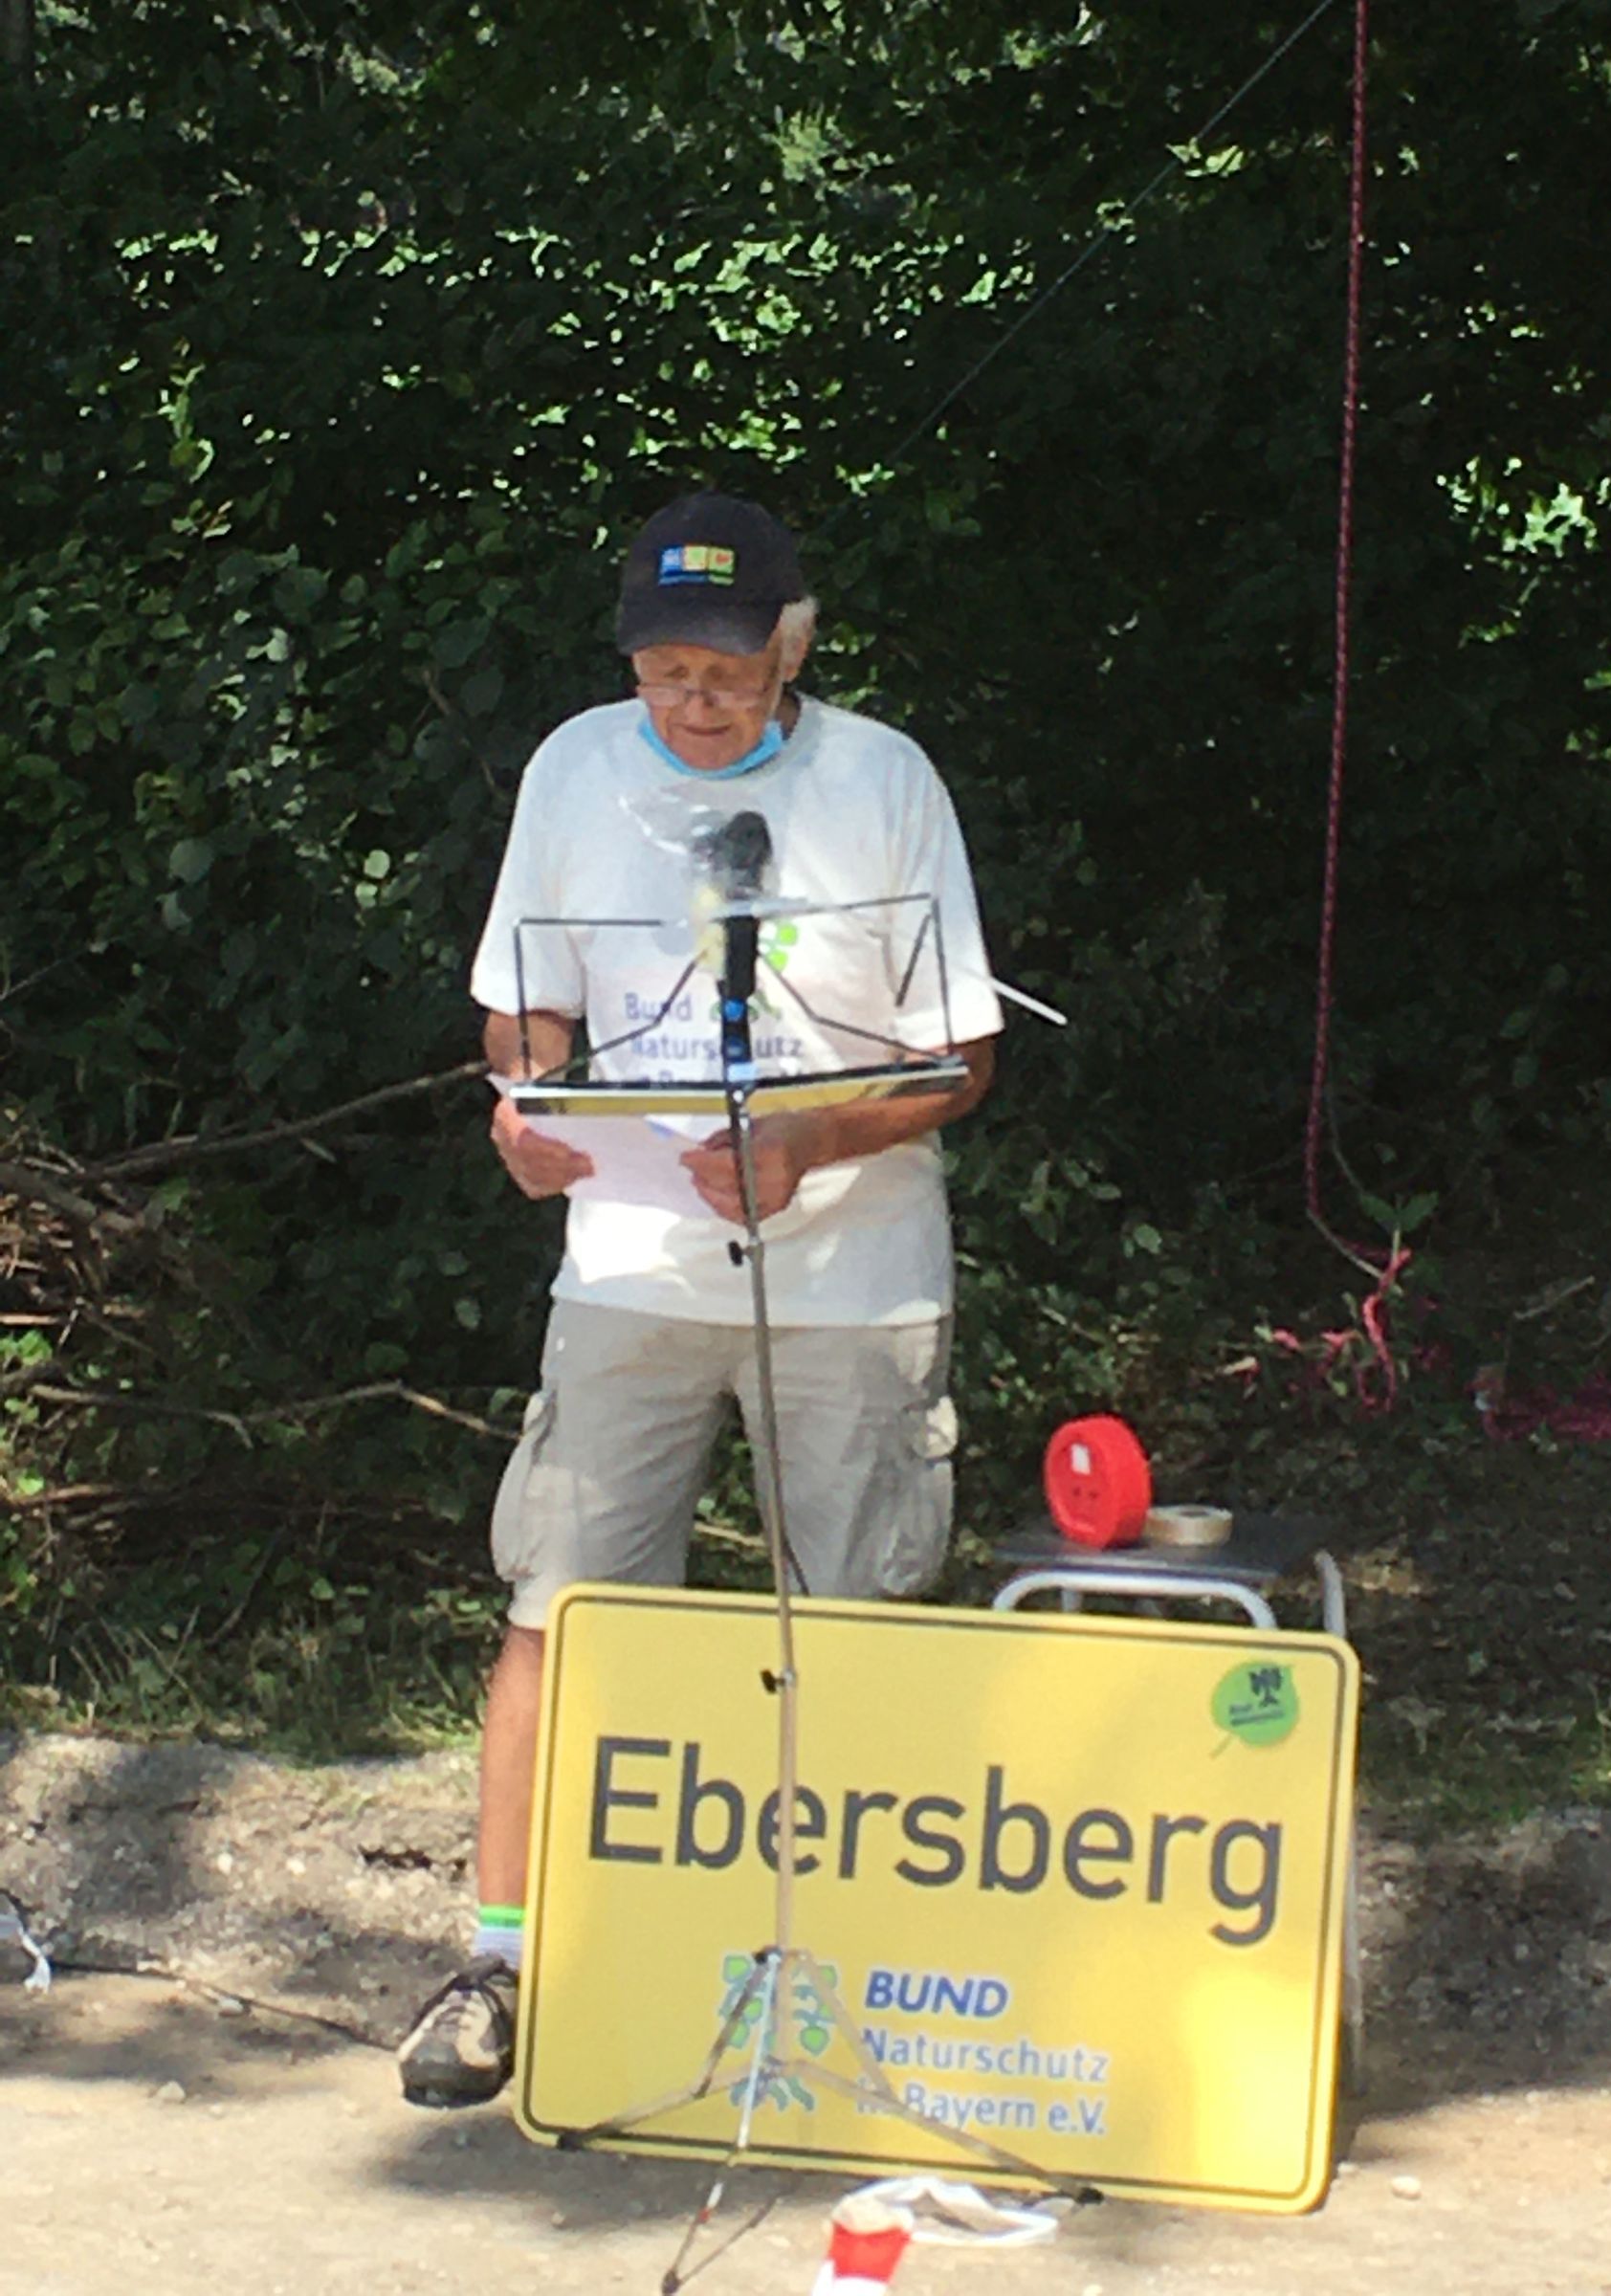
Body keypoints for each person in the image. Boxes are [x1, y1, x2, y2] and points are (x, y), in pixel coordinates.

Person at [396, 491, 1003, 2107]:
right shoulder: (573, 768)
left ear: (795, 645)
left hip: (855, 1274)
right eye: (667, 668)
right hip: (630, 1257)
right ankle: (508, 1965)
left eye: (728, 668)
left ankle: (860, 1975)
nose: (696, 700)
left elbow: (965, 1055)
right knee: (564, 1606)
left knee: (856, 1616)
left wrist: (822, 1135)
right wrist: (521, 1113)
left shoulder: (883, 779)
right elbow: (522, 1009)